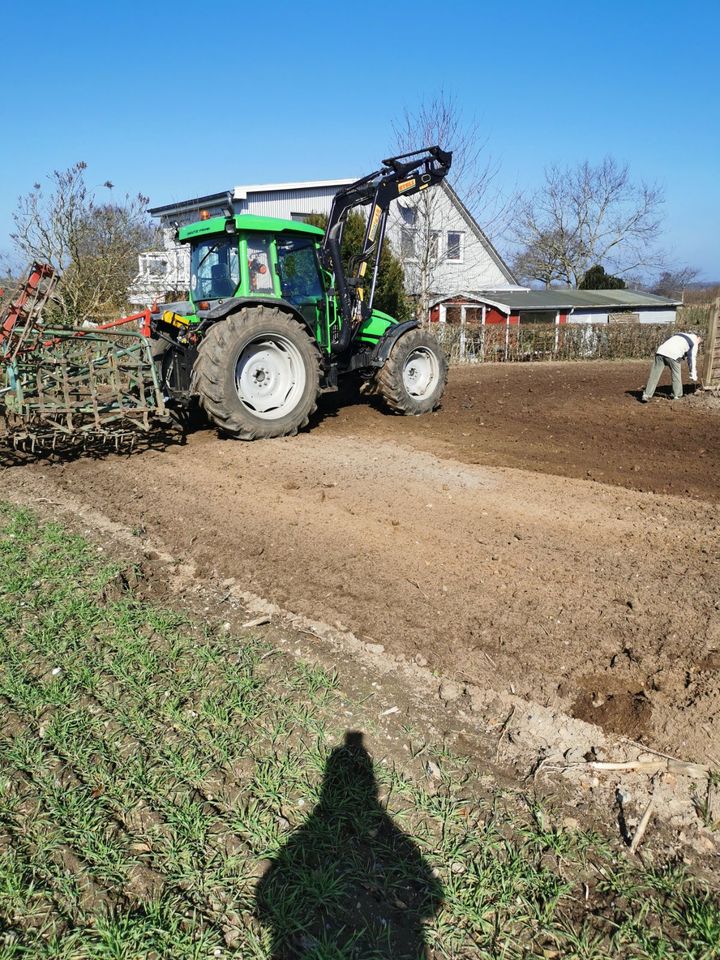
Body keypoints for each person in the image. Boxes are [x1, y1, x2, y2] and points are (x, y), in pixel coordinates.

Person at [640, 331, 702, 402]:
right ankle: (677, 396)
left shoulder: (679, 334)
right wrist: (693, 373)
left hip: (660, 351)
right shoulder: (694, 342)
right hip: (673, 355)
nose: (699, 343)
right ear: (698, 338)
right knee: (676, 375)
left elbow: (672, 344)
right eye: (699, 342)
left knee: (654, 375)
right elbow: (691, 358)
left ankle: (646, 395)